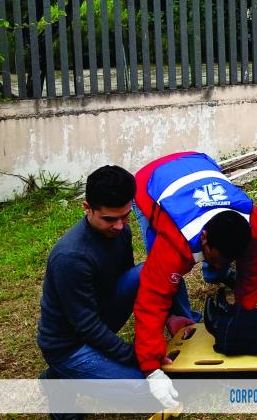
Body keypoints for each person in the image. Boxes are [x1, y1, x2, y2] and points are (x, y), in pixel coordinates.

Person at [133, 151, 257, 408]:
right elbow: (151, 299)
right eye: (214, 258)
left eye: (228, 261)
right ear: (204, 238)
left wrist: (243, 312)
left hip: (197, 163)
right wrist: (151, 369)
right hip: (151, 183)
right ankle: (179, 315)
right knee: (163, 277)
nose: (220, 261)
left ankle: (215, 274)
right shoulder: (174, 241)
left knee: (220, 261)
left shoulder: (255, 225)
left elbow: (255, 271)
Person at [36, 166, 159, 406]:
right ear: (87, 208)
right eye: (109, 219)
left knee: (152, 271)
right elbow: (86, 326)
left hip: (100, 313)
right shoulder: (71, 257)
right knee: (145, 390)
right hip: (69, 345)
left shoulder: (120, 231)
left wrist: (153, 334)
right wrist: (136, 356)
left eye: (125, 216)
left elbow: (131, 283)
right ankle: (58, 379)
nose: (119, 226)